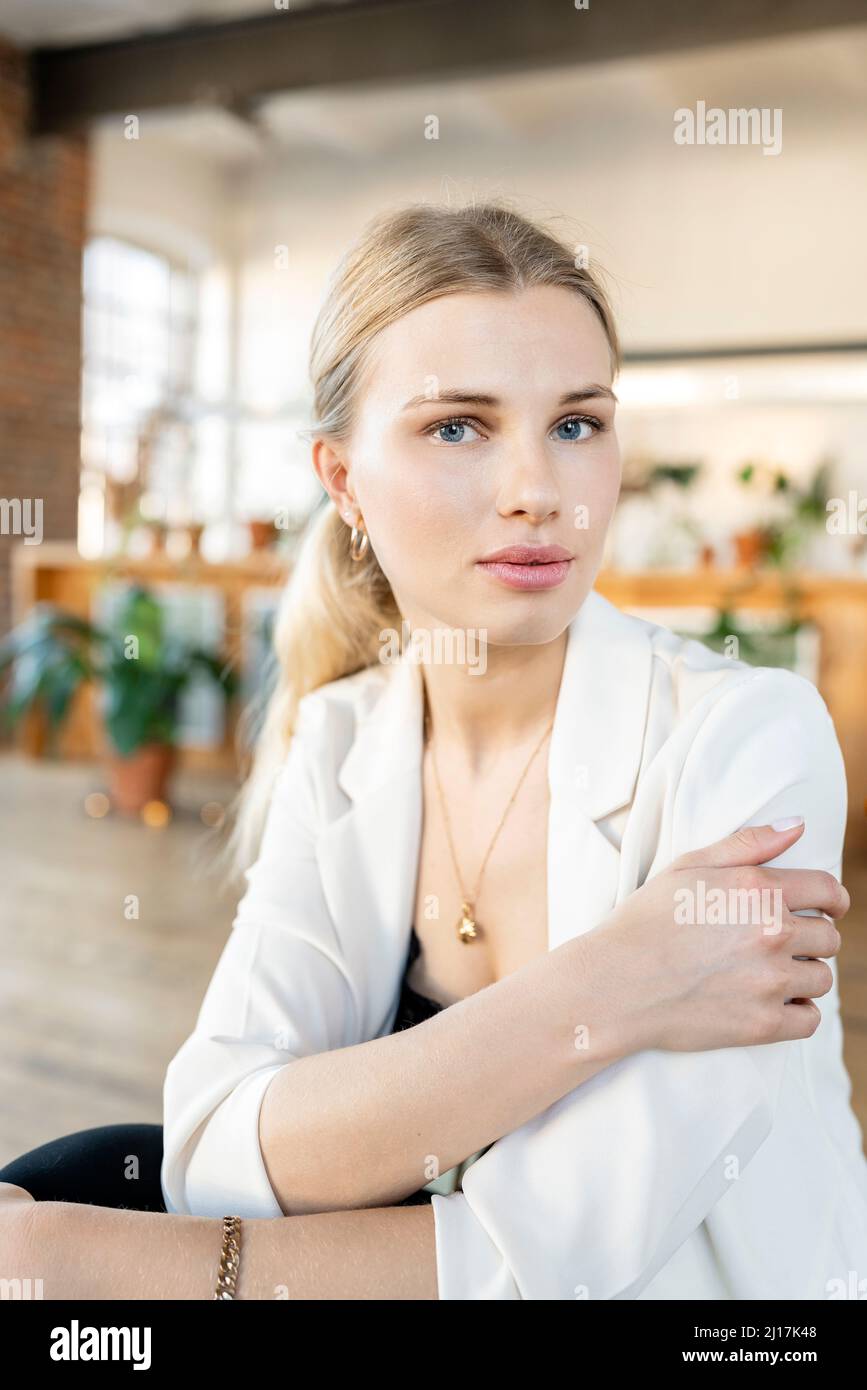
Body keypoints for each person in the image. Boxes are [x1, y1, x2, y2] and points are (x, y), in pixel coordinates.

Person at [2, 201, 864, 1300]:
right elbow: (213, 1135)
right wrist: (604, 985)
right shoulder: (345, 735)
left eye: (577, 423)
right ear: (343, 481)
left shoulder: (749, 739)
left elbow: (560, 1255)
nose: (538, 491)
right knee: (55, 1178)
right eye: (457, 425)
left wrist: (121, 1266)